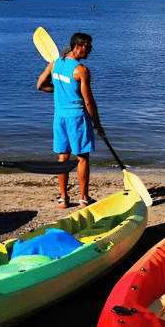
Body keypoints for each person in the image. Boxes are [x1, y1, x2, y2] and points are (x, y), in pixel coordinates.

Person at [37, 32, 104, 209]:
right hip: (77, 118)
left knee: (63, 157)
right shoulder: (81, 70)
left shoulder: (54, 64)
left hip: (59, 117)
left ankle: (63, 199)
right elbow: (88, 101)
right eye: (87, 46)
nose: (90, 50)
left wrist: (59, 89)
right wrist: (97, 123)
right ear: (77, 46)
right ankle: (83, 199)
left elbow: (40, 85)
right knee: (82, 158)